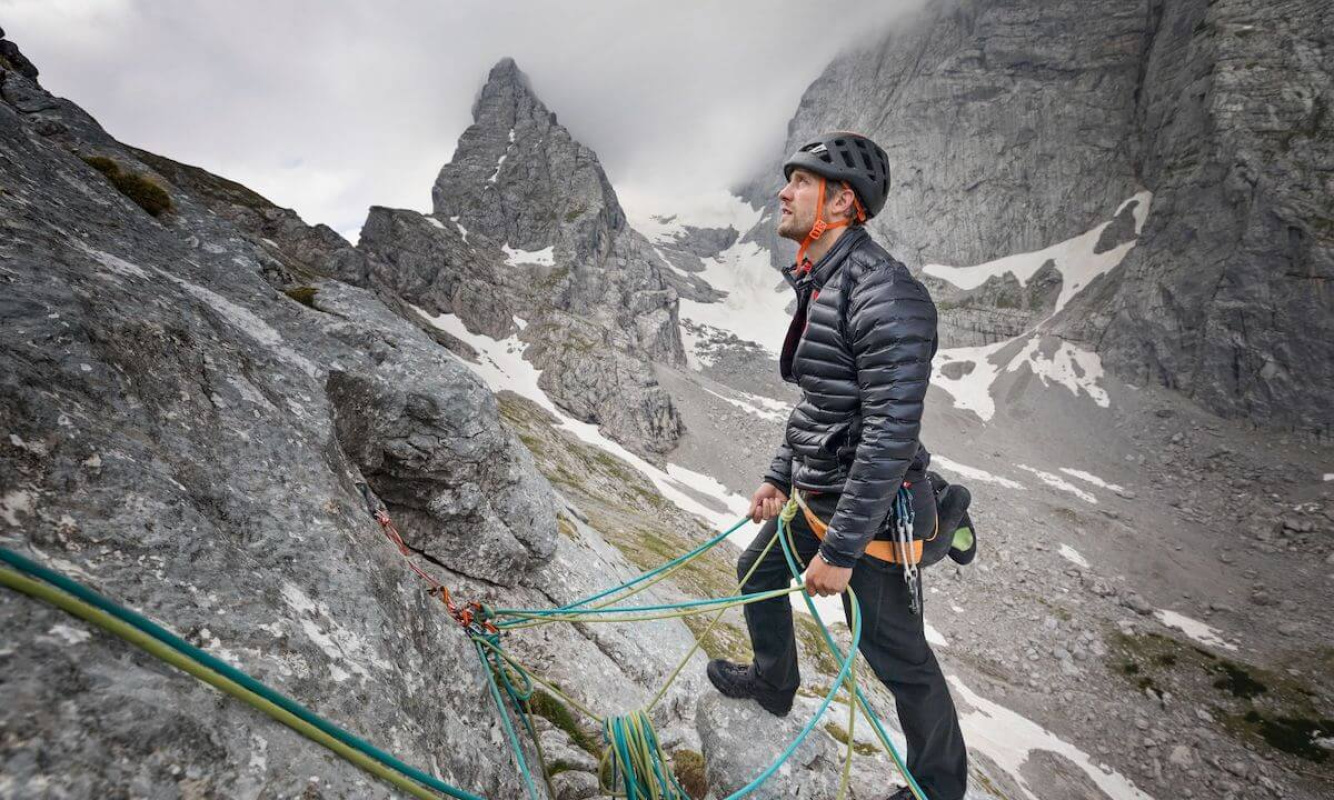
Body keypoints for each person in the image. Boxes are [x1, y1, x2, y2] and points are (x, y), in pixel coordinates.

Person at [705, 132, 968, 800]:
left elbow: (887, 435)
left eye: (800, 181)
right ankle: (774, 683)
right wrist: (778, 476)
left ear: (842, 200)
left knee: (898, 658)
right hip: (821, 496)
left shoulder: (888, 294)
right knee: (757, 570)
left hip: (874, 519)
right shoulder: (825, 281)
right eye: (788, 179)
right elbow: (822, 402)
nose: (783, 192)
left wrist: (843, 551)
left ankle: (939, 788)